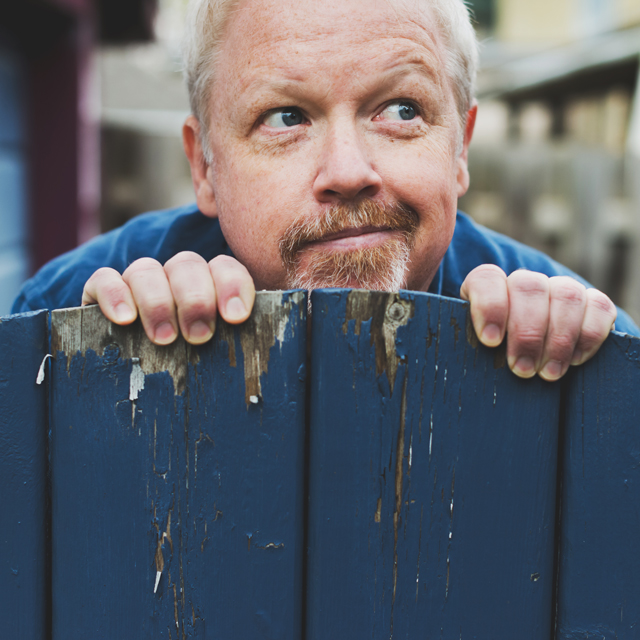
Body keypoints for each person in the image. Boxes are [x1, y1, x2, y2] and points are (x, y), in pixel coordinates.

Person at [12, 0, 639, 381]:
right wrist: (91, 367)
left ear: (460, 150)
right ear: (205, 166)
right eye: (286, 117)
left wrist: (583, 373)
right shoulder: (66, 313)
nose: (347, 171)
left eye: (399, 109)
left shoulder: (575, 343)